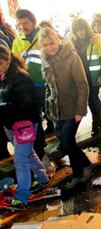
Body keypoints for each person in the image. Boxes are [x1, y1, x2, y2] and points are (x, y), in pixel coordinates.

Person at [40, 27, 92, 188]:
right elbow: (48, 86)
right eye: (46, 45)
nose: (50, 47)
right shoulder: (46, 59)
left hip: (72, 108)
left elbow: (82, 85)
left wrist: (79, 110)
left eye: (52, 43)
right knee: (66, 144)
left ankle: (80, 172)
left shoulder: (71, 57)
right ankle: (82, 167)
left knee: (68, 142)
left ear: (58, 40)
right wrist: (48, 109)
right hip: (57, 110)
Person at [0, 45, 48, 208]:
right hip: (9, 124)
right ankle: (42, 177)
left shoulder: (21, 77)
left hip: (24, 124)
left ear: (7, 60)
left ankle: (22, 197)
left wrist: (5, 108)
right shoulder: (3, 76)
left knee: (20, 159)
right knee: (28, 154)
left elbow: (26, 104)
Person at [13, 9, 48, 160]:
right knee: (35, 117)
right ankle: (40, 148)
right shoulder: (17, 41)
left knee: (54, 114)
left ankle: (63, 142)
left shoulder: (45, 37)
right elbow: (15, 65)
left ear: (33, 22)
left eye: (26, 23)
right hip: (29, 88)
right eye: (20, 24)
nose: (23, 27)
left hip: (47, 84)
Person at [71, 18, 101, 136]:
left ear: (87, 29)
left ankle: (96, 123)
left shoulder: (95, 40)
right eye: (77, 30)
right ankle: (99, 122)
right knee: (91, 99)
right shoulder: (73, 43)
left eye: (82, 29)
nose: (80, 32)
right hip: (82, 75)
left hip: (94, 75)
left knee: (93, 98)